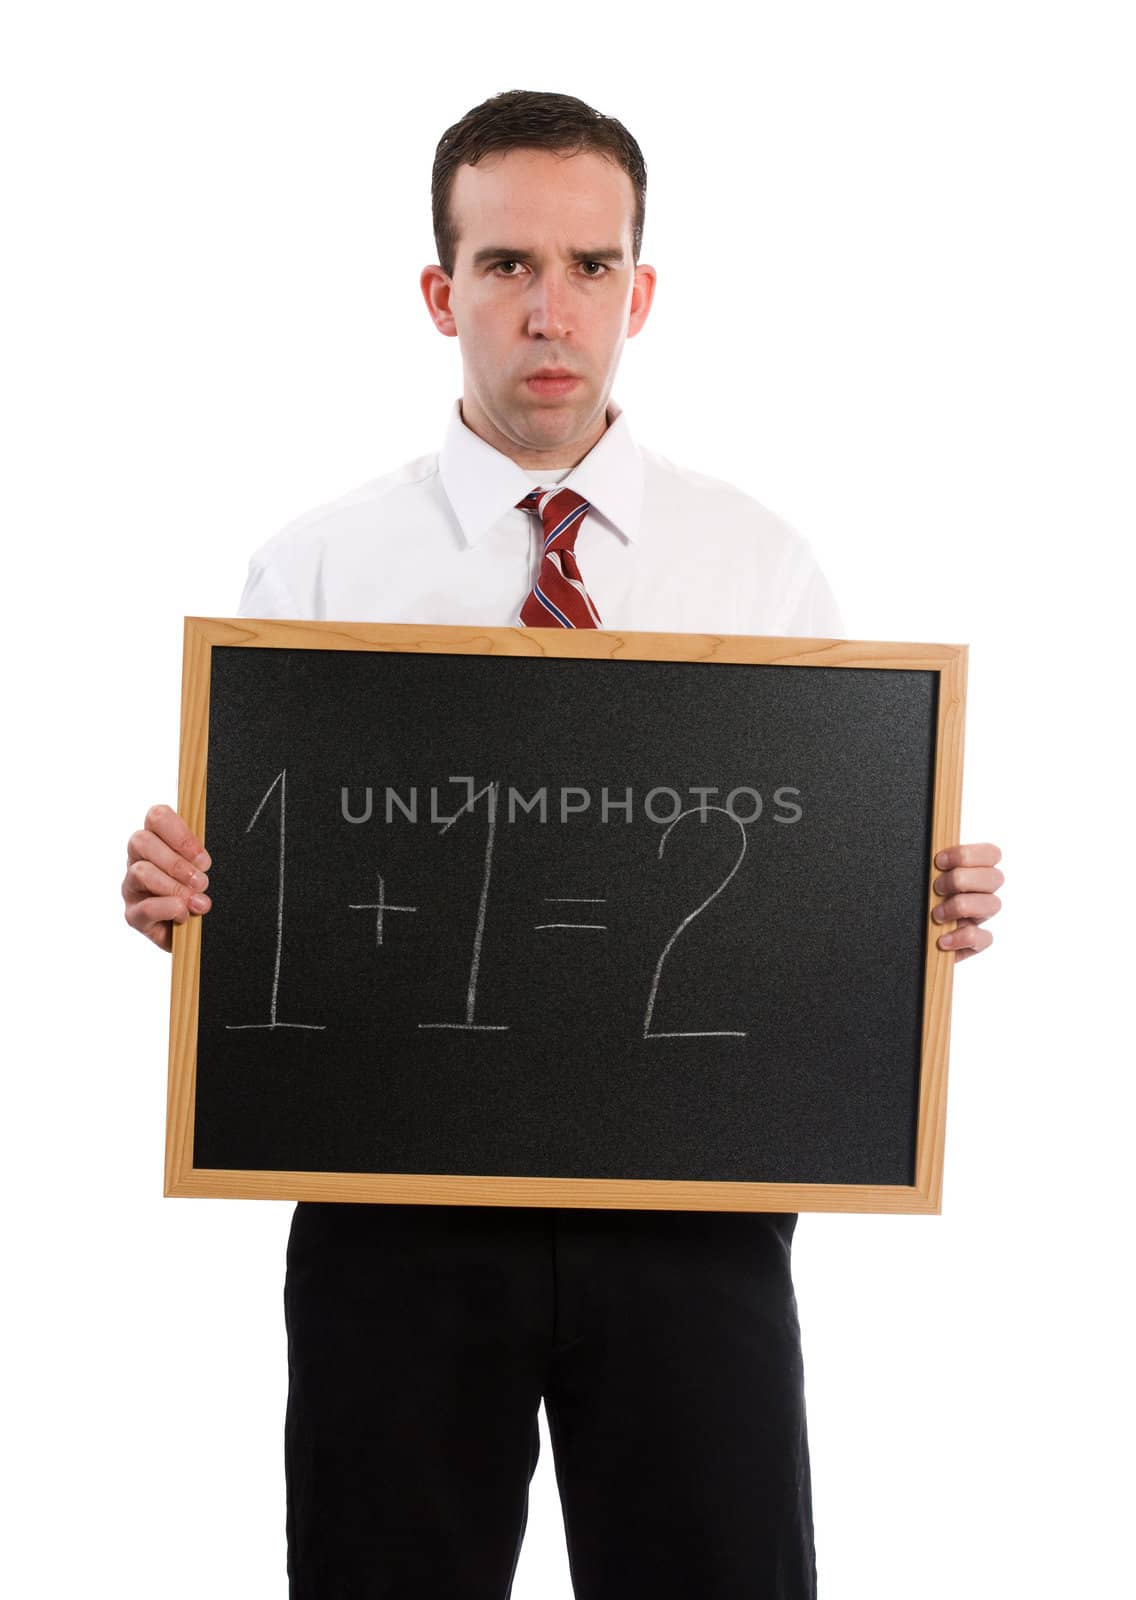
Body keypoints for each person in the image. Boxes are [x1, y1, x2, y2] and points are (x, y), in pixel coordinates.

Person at [121, 90, 1005, 1597]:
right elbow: (257, 889)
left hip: (692, 1208)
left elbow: (808, 879)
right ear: (439, 290)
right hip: (396, 1207)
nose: (552, 307)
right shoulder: (320, 563)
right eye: (509, 263)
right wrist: (182, 892)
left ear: (640, 293)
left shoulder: (759, 562)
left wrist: (911, 898)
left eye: (592, 267)